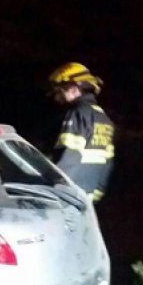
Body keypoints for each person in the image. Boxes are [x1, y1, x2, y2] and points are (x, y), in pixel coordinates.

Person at [47, 62, 115, 203]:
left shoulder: (77, 113)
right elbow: (107, 162)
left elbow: (68, 157)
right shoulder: (104, 119)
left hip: (66, 196)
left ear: (73, 88)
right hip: (87, 197)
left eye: (59, 92)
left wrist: (50, 188)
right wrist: (97, 193)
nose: (57, 98)